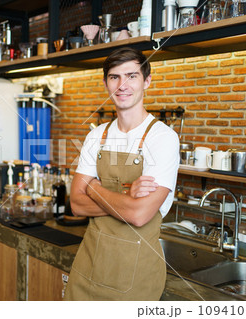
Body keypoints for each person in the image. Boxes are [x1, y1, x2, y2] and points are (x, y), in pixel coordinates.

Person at [64, 47, 179, 301]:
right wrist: (126, 196)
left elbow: (139, 215)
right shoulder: (96, 136)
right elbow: (76, 204)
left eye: (131, 76)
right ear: (106, 83)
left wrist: (93, 188)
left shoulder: (163, 138)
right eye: (114, 77)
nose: (122, 85)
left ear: (146, 81)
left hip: (135, 278)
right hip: (87, 268)